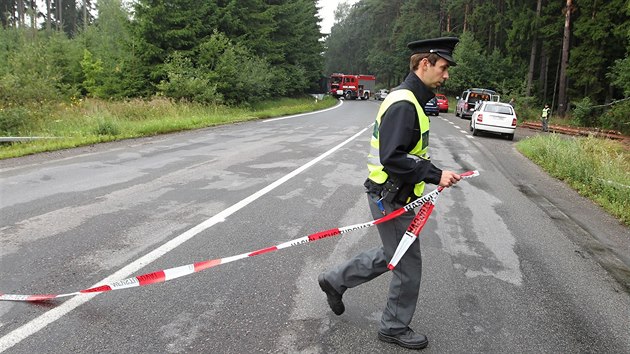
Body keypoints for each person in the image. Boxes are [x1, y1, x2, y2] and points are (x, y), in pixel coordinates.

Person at [317, 37, 462, 350]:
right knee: (408, 264)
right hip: (392, 197)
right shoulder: (404, 103)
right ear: (425, 64)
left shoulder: (411, 98)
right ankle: (393, 326)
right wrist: (436, 175)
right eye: (443, 67)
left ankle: (335, 279)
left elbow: (407, 152)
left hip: (395, 195)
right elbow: (392, 157)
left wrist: (429, 174)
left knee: (393, 253)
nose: (446, 75)